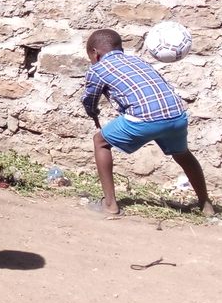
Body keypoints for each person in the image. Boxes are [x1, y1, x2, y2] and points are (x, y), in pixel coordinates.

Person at [82, 28, 215, 218]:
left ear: (95, 53)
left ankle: (110, 204)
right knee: (183, 154)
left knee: (100, 141)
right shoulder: (139, 61)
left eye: (90, 57)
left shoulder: (98, 69)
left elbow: (89, 99)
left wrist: (93, 113)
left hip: (144, 119)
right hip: (177, 116)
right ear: (120, 49)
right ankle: (205, 204)